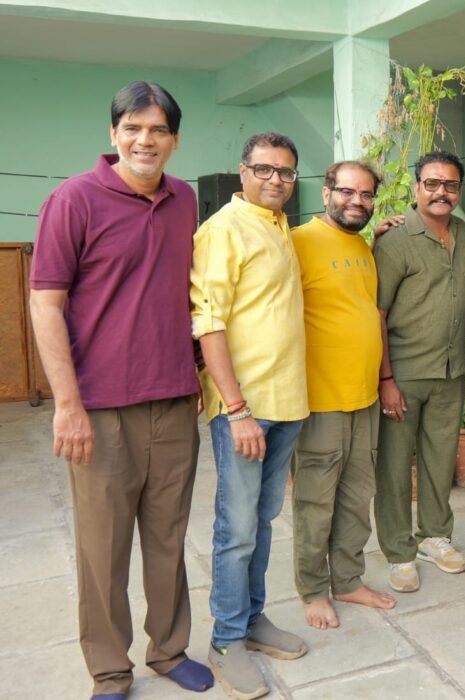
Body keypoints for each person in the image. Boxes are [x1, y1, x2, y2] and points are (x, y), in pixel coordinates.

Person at [29, 80, 213, 700]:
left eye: (158, 129)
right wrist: (67, 405)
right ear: (113, 134)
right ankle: (110, 670)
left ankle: (169, 649)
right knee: (103, 548)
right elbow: (46, 305)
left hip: (173, 399)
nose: (145, 140)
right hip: (101, 410)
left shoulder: (184, 198)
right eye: (132, 128)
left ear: (175, 140)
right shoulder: (73, 200)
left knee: (168, 536)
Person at [191, 132, 310, 700]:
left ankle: (253, 619)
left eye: (285, 172)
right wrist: (236, 409)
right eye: (264, 169)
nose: (275, 180)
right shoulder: (223, 230)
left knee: (262, 521)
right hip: (246, 408)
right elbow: (208, 322)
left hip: (286, 402)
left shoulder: (280, 225)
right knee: (236, 529)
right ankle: (226, 640)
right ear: (242, 172)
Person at [290, 161, 396, 630]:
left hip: (363, 397)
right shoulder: (298, 242)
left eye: (366, 194)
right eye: (347, 192)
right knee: (316, 504)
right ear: (326, 193)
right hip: (320, 400)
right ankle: (313, 590)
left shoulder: (361, 247)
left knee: (356, 499)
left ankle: (348, 580)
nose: (357, 201)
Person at [373, 151, 465, 593]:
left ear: (459, 191)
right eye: (432, 183)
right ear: (416, 188)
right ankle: (399, 551)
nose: (441, 192)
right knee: (395, 467)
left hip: (449, 371)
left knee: (439, 459)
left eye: (450, 185)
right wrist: (386, 380)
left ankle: (434, 536)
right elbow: (377, 313)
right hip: (404, 372)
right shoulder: (395, 240)